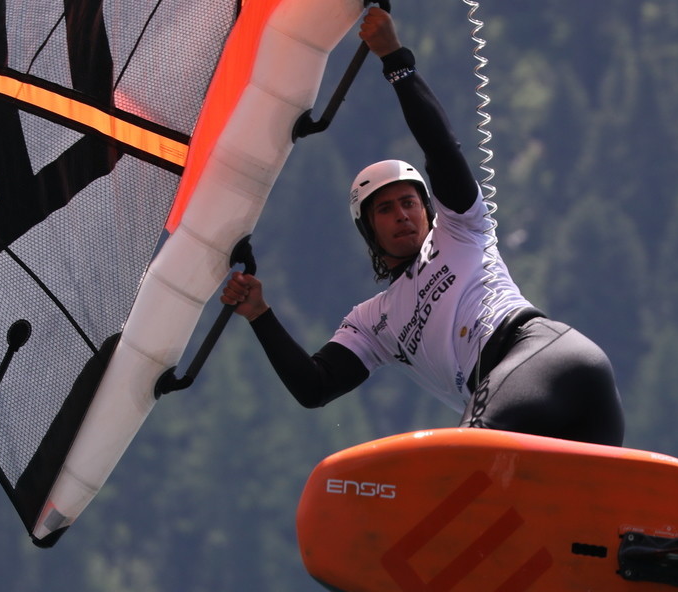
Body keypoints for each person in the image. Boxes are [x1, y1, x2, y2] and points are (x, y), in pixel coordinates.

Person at [220, 8, 624, 447]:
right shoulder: (372, 322)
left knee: (464, 454)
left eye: (410, 203)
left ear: (428, 210)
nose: (402, 214)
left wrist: (395, 59)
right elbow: (315, 387)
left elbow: (441, 149)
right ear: (368, 230)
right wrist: (260, 315)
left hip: (544, 354)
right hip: (526, 408)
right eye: (385, 209)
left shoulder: (461, 229)